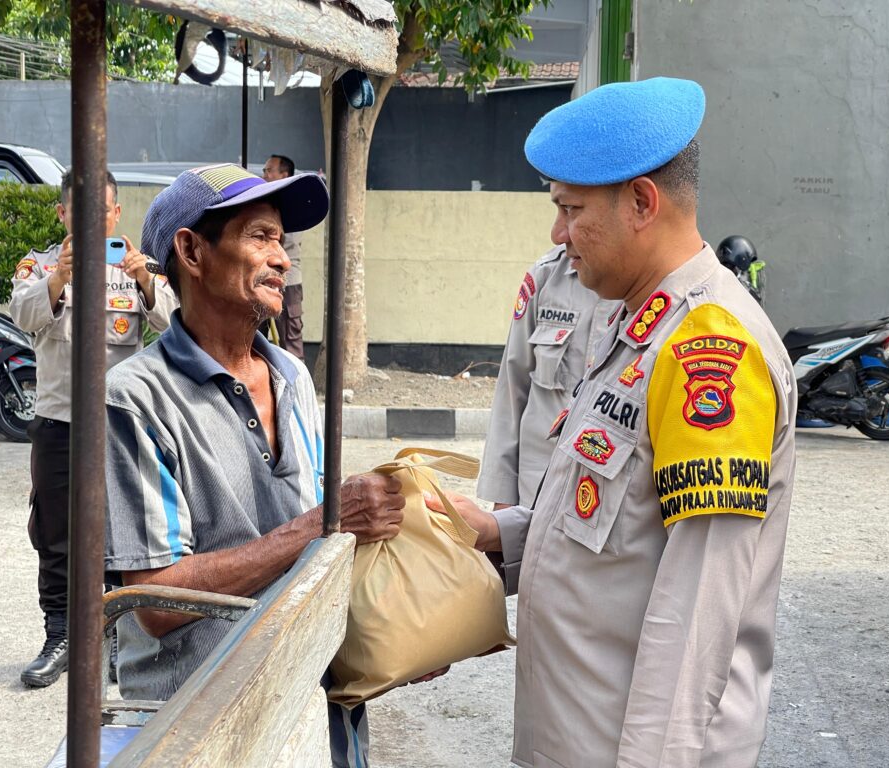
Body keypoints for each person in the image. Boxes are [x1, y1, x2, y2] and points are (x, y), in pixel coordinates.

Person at [428, 78, 797, 767]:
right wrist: (495, 535)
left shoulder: (706, 349)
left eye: (570, 210)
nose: (557, 234)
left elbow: (696, 611)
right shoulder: (637, 327)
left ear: (641, 204)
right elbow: (612, 531)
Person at [102, 163, 406, 767]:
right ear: (192, 251)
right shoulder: (134, 397)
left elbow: (325, 548)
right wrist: (326, 521)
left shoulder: (292, 376)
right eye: (260, 237)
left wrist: (392, 633)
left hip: (313, 694)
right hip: (203, 720)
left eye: (283, 243)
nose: (283, 260)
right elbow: (157, 601)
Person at [9, 169, 178, 688]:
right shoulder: (38, 266)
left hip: (119, 422)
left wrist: (148, 280)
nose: (89, 220)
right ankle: (60, 635)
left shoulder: (136, 267)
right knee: (55, 533)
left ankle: (113, 637)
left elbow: (178, 325)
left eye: (100, 210)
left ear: (115, 214)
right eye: (77, 210)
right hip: (59, 422)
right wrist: (58, 278)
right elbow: (22, 315)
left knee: (120, 529)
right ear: (62, 214)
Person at [477, 245, 611, 508]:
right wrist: (503, 504)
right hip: (534, 503)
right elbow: (511, 393)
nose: (558, 233)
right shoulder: (548, 275)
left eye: (573, 209)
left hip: (608, 514)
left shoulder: (661, 287)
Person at [261, 154, 306, 360]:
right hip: (261, 279)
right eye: (264, 170)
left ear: (284, 175)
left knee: (290, 339)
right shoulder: (264, 201)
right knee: (256, 336)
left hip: (287, 281)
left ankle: (296, 388)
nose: (264, 174)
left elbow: (283, 243)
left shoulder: (291, 205)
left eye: (269, 170)